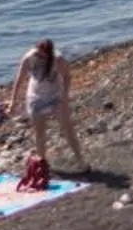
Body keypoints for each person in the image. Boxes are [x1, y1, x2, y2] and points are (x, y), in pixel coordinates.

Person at [9, 38, 88, 173]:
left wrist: (65, 95)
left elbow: (67, 76)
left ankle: (81, 161)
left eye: (41, 55)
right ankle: (43, 164)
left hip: (55, 96)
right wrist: (13, 101)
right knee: (40, 133)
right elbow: (19, 79)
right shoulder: (29, 58)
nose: (38, 56)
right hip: (36, 98)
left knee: (68, 129)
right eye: (37, 53)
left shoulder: (58, 59)